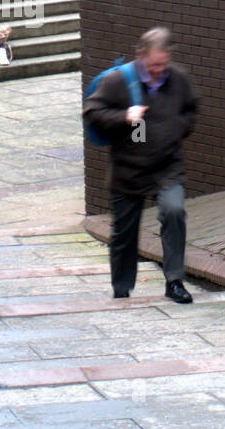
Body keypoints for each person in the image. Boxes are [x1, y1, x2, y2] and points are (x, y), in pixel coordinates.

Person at [82, 27, 197, 303]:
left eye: (164, 64)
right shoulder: (118, 81)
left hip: (167, 166)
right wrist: (124, 116)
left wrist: (176, 129)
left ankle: (174, 281)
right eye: (154, 65)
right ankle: (122, 288)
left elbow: (191, 110)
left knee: (174, 212)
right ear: (141, 55)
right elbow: (92, 111)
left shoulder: (178, 78)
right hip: (128, 168)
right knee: (125, 230)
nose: (159, 71)